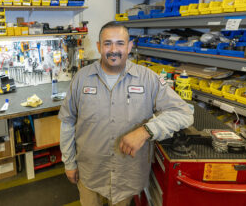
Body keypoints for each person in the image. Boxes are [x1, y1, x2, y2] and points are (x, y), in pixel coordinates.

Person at [58, 22, 194, 206]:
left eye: (120, 43)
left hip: (127, 177)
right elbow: (67, 122)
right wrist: (69, 163)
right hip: (90, 175)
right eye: (107, 43)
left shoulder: (149, 78)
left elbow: (183, 113)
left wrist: (146, 130)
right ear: (99, 47)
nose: (114, 49)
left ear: (129, 46)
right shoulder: (80, 79)